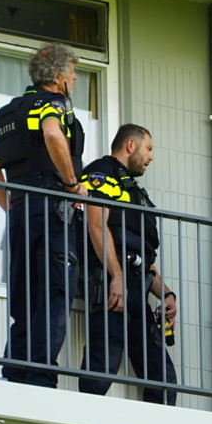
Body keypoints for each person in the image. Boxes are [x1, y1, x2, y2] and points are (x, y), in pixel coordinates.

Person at [0, 43, 87, 388]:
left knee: (24, 299)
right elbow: (53, 134)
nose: (74, 79)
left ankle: (15, 371)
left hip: (22, 214)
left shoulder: (8, 113)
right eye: (72, 73)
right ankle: (40, 376)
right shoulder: (51, 104)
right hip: (54, 210)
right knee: (54, 294)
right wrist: (71, 185)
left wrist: (12, 207)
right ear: (57, 77)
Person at [78, 124, 178, 405]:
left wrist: (166, 293)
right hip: (112, 281)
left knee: (163, 379)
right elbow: (96, 226)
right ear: (131, 145)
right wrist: (116, 277)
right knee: (103, 361)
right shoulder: (101, 173)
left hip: (135, 285)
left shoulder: (135, 191)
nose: (151, 157)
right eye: (149, 148)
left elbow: (144, 258)